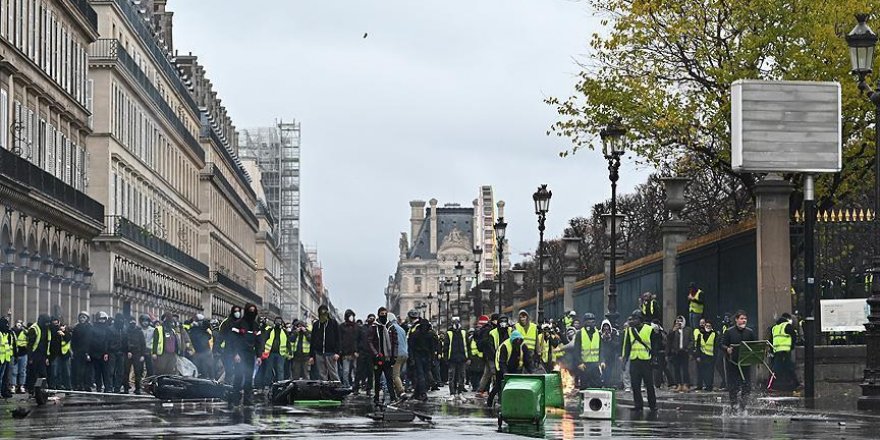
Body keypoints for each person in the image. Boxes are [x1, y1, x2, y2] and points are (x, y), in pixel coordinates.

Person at [621, 310, 659, 412]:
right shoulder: (629, 330)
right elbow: (627, 346)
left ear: (641, 319)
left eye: (636, 318)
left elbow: (655, 345)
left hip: (646, 360)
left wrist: (654, 357)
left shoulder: (649, 329)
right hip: (634, 360)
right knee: (635, 385)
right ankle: (638, 405)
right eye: (633, 319)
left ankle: (653, 405)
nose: (633, 320)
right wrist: (624, 360)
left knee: (649, 385)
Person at [227, 303, 262, 406]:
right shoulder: (238, 324)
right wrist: (235, 354)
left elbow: (259, 342)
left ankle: (247, 400)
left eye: (253, 311)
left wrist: (259, 356)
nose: (252, 313)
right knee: (238, 376)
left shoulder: (256, 326)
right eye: (250, 311)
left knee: (248, 377)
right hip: (240, 354)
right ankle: (235, 399)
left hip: (250, 354)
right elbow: (232, 340)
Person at [720, 310, 756, 410]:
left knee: (746, 386)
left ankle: (743, 406)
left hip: (745, 362)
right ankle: (734, 406)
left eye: (745, 319)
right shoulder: (729, 331)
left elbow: (755, 345)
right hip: (732, 363)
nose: (744, 320)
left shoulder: (750, 332)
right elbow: (721, 344)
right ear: (736, 320)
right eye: (741, 318)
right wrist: (727, 349)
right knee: (733, 386)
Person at [486, 330, 530, 407]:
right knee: (499, 385)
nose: (518, 342)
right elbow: (502, 362)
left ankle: (514, 402)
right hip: (501, 366)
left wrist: (531, 371)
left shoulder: (523, 346)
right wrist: (505, 373)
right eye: (517, 340)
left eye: (520, 340)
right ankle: (490, 402)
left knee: (515, 385)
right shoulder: (505, 346)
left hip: (515, 366)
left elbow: (527, 360)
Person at [367, 307, 398, 405]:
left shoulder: (391, 327)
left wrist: (394, 356)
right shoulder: (374, 327)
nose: (383, 315)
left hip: (388, 357)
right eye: (381, 313)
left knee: (389, 378)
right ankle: (376, 397)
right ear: (378, 314)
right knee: (377, 379)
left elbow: (395, 342)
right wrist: (376, 354)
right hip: (378, 357)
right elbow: (370, 341)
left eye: (385, 313)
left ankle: (393, 397)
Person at [769, 313, 800, 392]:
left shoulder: (774, 328)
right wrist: (792, 346)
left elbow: (771, 340)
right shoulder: (787, 325)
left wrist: (772, 350)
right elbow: (794, 336)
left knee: (781, 368)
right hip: (785, 351)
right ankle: (770, 386)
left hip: (777, 351)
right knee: (786, 367)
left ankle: (796, 384)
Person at [310, 304, 340, 381]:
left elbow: (338, 338)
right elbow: (312, 340)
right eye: (321, 313)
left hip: (331, 353)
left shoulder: (333, 323)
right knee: (322, 374)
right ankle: (324, 390)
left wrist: (337, 352)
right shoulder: (316, 324)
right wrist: (311, 356)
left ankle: (336, 389)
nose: (323, 315)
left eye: (325, 313)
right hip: (319, 352)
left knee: (333, 373)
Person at [407, 313, 433, 402]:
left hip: (418, 356)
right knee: (425, 374)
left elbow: (411, 346)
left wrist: (411, 358)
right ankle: (419, 392)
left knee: (420, 375)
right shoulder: (430, 335)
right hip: (427, 356)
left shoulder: (415, 334)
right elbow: (432, 348)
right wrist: (432, 358)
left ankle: (422, 393)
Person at [575, 313, 603, 389]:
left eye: (593, 320)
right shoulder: (580, 334)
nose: (591, 322)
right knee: (584, 386)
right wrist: (579, 363)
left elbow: (601, 348)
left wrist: (602, 361)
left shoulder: (598, 333)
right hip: (584, 365)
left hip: (595, 364)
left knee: (597, 385)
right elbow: (576, 350)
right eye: (589, 320)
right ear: (584, 322)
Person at [26, 314, 52, 394]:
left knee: (43, 373)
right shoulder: (34, 329)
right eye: (46, 322)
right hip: (34, 354)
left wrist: (47, 356)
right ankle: (32, 390)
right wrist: (30, 357)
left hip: (43, 354)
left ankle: (42, 390)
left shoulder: (47, 329)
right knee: (33, 373)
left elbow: (47, 343)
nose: (47, 324)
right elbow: (30, 344)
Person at [667, 316, 692, 392]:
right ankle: (678, 384)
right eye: (677, 321)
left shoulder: (688, 330)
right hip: (676, 352)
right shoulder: (673, 330)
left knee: (685, 369)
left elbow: (691, 340)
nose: (678, 323)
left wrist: (688, 348)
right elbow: (669, 340)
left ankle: (685, 384)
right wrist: (673, 331)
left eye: (680, 321)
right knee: (676, 369)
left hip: (684, 351)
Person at [261, 316, 289, 384]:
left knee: (280, 369)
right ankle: (268, 384)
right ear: (274, 322)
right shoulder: (270, 330)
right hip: (270, 352)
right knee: (269, 369)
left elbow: (288, 342)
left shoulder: (284, 331)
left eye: (279, 321)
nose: (278, 323)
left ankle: (280, 384)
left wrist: (289, 352)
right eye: (277, 321)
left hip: (281, 353)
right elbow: (264, 339)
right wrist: (263, 350)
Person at [445, 317, 468, 398]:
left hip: (462, 358)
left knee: (462, 375)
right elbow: (446, 347)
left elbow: (467, 345)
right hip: (452, 358)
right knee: (452, 376)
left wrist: (468, 357)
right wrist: (446, 358)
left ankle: (460, 392)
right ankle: (452, 393)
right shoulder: (449, 333)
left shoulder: (464, 332)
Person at [47, 317, 72, 391]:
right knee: (54, 372)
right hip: (54, 354)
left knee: (66, 372)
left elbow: (69, 338)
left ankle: (67, 387)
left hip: (64, 354)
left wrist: (63, 333)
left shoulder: (63, 329)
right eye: (54, 322)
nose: (55, 324)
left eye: (56, 322)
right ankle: (54, 386)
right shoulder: (50, 330)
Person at [217, 306, 240, 383]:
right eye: (236, 311)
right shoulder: (226, 322)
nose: (237, 313)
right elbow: (221, 336)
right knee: (229, 369)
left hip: (238, 350)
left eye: (238, 311)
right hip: (228, 349)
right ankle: (228, 385)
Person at [88, 312, 111, 392]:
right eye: (100, 319)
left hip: (104, 354)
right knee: (97, 372)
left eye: (103, 319)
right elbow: (90, 341)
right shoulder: (93, 328)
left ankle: (107, 387)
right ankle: (99, 387)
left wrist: (106, 353)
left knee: (106, 372)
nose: (102, 321)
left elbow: (108, 341)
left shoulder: (107, 329)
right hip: (95, 353)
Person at [70, 312, 92, 391]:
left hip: (87, 352)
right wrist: (72, 350)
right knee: (78, 370)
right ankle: (79, 384)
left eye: (84, 317)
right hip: (78, 352)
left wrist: (88, 352)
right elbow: (73, 340)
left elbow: (90, 341)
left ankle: (87, 385)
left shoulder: (89, 328)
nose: (82, 319)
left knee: (87, 370)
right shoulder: (76, 328)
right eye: (81, 317)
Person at [124, 317, 147, 394]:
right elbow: (125, 342)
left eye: (133, 321)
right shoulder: (126, 331)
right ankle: (126, 388)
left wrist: (142, 355)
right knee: (126, 371)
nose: (132, 323)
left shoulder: (139, 331)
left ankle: (137, 388)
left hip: (137, 353)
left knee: (138, 372)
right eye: (131, 322)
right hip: (129, 353)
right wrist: (127, 351)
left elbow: (143, 344)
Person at [388, 313, 408, 399]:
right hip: (404, 353)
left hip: (397, 353)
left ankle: (401, 391)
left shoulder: (390, 328)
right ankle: (399, 390)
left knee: (395, 374)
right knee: (400, 373)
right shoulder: (401, 329)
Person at [189, 314, 214, 380]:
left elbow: (209, 336)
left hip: (204, 352)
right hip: (199, 352)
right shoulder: (194, 330)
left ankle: (209, 379)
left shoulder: (203, 330)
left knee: (207, 368)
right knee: (200, 369)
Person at [339, 309, 360, 388]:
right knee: (346, 371)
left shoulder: (356, 327)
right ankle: (346, 385)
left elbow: (358, 340)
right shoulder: (342, 327)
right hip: (346, 353)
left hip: (355, 353)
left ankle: (355, 385)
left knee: (355, 370)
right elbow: (340, 340)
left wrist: (357, 351)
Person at [475, 314, 494, 397]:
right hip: (490, 355)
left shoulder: (482, 331)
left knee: (486, 374)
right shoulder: (489, 330)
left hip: (485, 355)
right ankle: (495, 391)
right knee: (493, 372)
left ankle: (480, 390)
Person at [695, 320, 717, 392]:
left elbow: (716, 346)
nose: (708, 327)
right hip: (702, 355)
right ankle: (701, 385)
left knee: (710, 373)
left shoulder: (715, 334)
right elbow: (698, 346)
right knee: (701, 372)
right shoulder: (700, 334)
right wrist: (698, 356)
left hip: (711, 356)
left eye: (709, 326)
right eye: (706, 326)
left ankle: (709, 386)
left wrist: (715, 357)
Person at [599, 319, 620, 388]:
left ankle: (608, 384)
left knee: (610, 372)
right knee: (603, 371)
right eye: (604, 327)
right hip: (602, 356)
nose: (606, 328)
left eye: (607, 326)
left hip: (611, 357)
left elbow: (617, 345)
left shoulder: (614, 334)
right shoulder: (599, 335)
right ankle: (603, 384)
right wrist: (603, 339)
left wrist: (609, 339)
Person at [108, 314, 127, 393]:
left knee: (120, 371)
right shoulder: (110, 329)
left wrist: (126, 350)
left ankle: (117, 387)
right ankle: (109, 387)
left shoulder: (124, 329)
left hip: (121, 352)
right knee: (111, 371)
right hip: (112, 352)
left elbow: (126, 341)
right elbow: (107, 341)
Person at [11, 320, 28, 394]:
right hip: (14, 354)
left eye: (20, 323)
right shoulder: (12, 331)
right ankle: (13, 386)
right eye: (18, 323)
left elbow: (28, 341)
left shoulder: (25, 332)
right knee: (14, 371)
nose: (19, 325)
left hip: (23, 353)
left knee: (22, 371)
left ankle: (21, 386)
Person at [466, 327, 484, 392]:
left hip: (480, 358)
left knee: (480, 373)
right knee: (474, 374)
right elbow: (468, 349)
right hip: (474, 358)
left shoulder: (481, 339)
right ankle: (475, 386)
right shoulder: (470, 339)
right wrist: (468, 358)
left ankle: (478, 386)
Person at [0, 317, 13, 398]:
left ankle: (2, 392)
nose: (7, 326)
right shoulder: (2, 334)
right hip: (1, 359)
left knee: (3, 378)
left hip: (5, 358)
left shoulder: (7, 334)